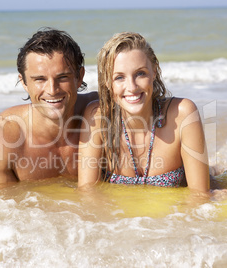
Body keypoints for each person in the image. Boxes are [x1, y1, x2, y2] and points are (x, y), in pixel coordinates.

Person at [78, 32, 210, 194]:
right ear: (107, 82)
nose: (132, 87)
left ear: (154, 71)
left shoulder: (183, 113)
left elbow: (199, 196)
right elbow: (87, 193)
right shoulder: (97, 117)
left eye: (140, 73)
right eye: (119, 77)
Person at [0, 28, 97, 186]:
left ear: (79, 76)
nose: (52, 90)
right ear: (24, 82)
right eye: (40, 79)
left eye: (62, 77)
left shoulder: (102, 113)